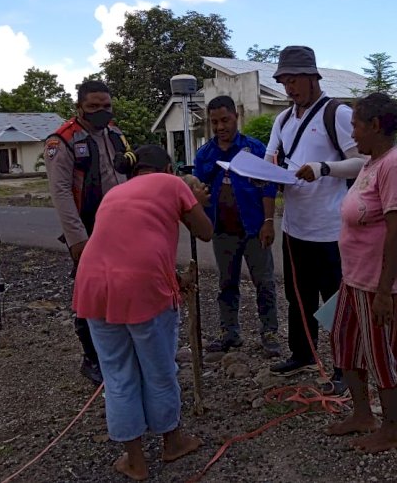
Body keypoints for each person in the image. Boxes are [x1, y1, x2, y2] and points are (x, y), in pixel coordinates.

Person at [73, 145, 213, 481]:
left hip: (93, 285)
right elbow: (205, 232)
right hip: (141, 288)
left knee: (118, 374)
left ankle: (134, 460)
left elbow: (130, 242)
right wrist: (200, 203)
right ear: (167, 166)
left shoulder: (115, 193)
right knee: (159, 369)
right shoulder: (173, 183)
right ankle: (172, 442)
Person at [264, 45, 365, 393]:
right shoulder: (282, 119)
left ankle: (344, 365)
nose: (289, 88)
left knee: (336, 300)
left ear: (312, 77)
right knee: (298, 295)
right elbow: (271, 160)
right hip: (295, 226)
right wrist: (263, 170)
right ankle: (302, 353)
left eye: (294, 80)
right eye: (284, 81)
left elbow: (363, 161)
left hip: (331, 228)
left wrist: (324, 169)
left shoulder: (336, 113)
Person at [325, 92, 397, 453]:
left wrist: (384, 291)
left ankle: (390, 429)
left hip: (378, 283)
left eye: (356, 126)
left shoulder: (395, 165)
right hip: (354, 278)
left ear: (375, 126)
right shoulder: (371, 163)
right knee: (344, 344)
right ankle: (363, 415)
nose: (353, 135)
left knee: (381, 352)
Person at [44, 79, 136, 385]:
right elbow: (60, 193)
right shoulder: (63, 141)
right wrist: (77, 240)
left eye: (106, 106)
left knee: (123, 285)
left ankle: (120, 350)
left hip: (121, 226)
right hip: (88, 227)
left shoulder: (116, 135)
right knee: (91, 291)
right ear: (80, 107)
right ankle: (91, 357)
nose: (101, 111)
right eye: (94, 106)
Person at [193, 95, 280, 356]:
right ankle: (229, 333)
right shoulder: (205, 154)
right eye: (215, 122)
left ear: (236, 117)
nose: (220, 127)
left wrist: (268, 222)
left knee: (264, 282)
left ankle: (270, 332)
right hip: (222, 231)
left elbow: (268, 186)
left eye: (225, 120)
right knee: (226, 283)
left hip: (254, 228)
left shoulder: (254, 149)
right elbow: (198, 190)